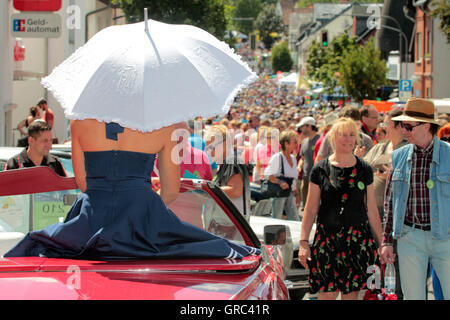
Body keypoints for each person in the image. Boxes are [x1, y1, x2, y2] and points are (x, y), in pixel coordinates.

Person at [4, 119, 258, 259]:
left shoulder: (79, 124)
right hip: (143, 219)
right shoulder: (165, 127)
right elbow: (170, 191)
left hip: (90, 221)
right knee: (219, 251)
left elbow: (83, 184)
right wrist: (145, 206)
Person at [298, 117, 383, 300]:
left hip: (357, 240)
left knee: (351, 294)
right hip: (327, 240)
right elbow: (310, 209)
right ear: (333, 138)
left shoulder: (364, 169)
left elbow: (372, 210)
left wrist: (382, 243)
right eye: (343, 135)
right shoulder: (320, 169)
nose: (348, 139)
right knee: (327, 294)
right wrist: (304, 243)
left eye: (352, 135)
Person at [380, 98, 450, 300]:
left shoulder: (448, 154)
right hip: (410, 236)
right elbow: (390, 203)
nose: (404, 131)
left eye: (409, 126)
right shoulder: (399, 156)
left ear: (427, 126)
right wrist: (387, 241)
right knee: (413, 297)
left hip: (445, 236)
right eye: (403, 125)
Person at [364, 109, 408, 219]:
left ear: (399, 127)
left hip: (395, 209)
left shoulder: (408, 149)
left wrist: (391, 175)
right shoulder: (381, 147)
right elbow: (364, 166)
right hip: (373, 208)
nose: (383, 127)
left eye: (387, 124)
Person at [205, 125, 251, 220]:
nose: (210, 152)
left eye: (212, 147)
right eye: (208, 148)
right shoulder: (225, 164)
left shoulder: (232, 161)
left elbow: (235, 190)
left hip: (230, 226)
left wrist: (206, 190)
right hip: (226, 225)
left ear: (225, 144)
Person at [264, 130, 300, 221]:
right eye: (294, 142)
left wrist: (296, 195)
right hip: (279, 193)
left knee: (295, 218)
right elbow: (267, 175)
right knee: (276, 218)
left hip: (289, 193)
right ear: (286, 143)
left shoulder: (293, 158)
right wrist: (280, 182)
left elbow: (293, 179)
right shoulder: (277, 157)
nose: (296, 144)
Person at [297, 116, 320, 211]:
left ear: (309, 126)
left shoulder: (320, 140)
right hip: (306, 178)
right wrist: (299, 166)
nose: (300, 129)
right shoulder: (304, 142)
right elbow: (302, 158)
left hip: (317, 180)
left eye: (302, 126)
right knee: (306, 207)